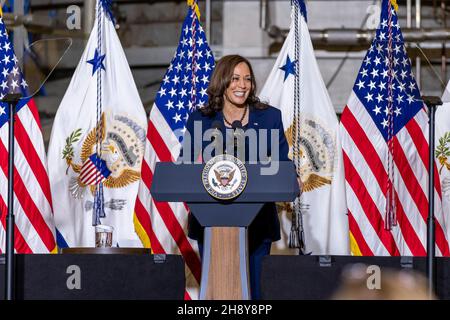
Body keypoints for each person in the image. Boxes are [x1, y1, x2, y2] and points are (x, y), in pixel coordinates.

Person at [180, 54, 298, 299]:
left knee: (256, 295)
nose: (242, 85)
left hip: (258, 223)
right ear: (221, 81)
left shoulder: (269, 117)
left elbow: (282, 164)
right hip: (211, 222)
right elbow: (186, 168)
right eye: (235, 78)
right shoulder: (201, 119)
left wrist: (289, 177)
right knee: (216, 291)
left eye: (247, 79)